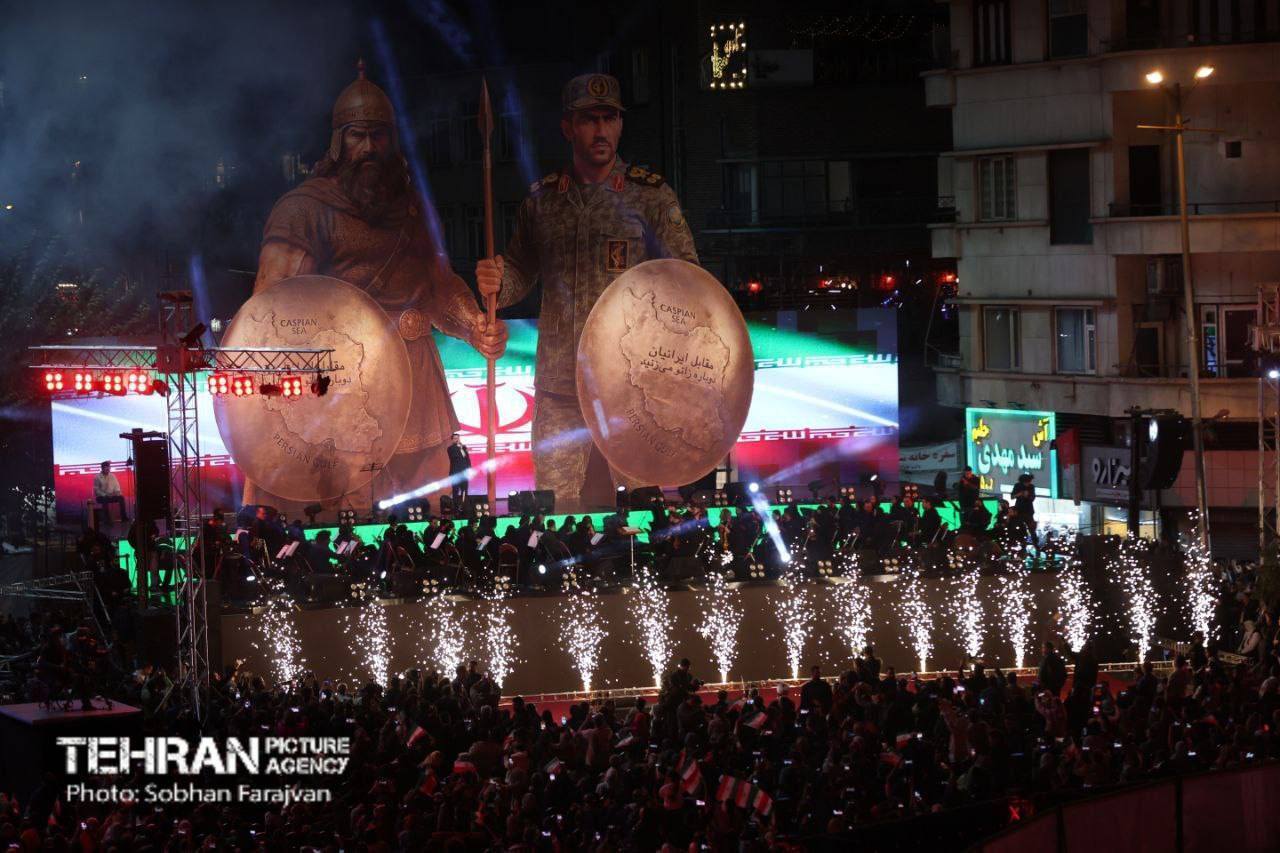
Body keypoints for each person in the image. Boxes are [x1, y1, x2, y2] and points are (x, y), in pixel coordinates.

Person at [244, 60, 507, 518]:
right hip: (341, 381)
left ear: (393, 140)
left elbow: (438, 282)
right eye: (356, 135)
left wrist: (474, 325)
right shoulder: (305, 210)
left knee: (427, 514)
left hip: (414, 373)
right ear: (337, 141)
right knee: (339, 515)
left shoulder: (412, 209)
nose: (368, 147)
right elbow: (273, 309)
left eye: (378, 135)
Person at [475, 73, 698, 512]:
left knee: (644, 501)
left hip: (630, 383)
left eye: (609, 118)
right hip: (560, 382)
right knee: (553, 507)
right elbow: (522, 271)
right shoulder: (543, 200)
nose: (601, 131)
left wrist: (666, 349)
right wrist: (497, 281)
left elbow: (687, 278)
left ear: (620, 124)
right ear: (567, 128)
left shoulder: (649, 196)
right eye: (588, 120)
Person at [447, 433, 471, 506]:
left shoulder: (463, 447)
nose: (457, 439)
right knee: (456, 490)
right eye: (455, 438)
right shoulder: (451, 448)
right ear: (452, 440)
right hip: (456, 473)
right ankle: (456, 506)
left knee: (464, 490)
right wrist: (460, 448)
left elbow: (467, 459)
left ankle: (464, 505)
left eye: (458, 438)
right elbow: (455, 457)